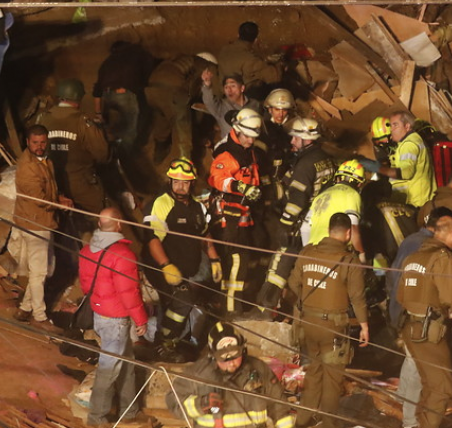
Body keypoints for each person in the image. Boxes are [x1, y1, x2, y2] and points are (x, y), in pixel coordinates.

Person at [288, 213, 369, 428]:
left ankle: (303, 421)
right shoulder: (348, 261)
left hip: (307, 326)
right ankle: (329, 424)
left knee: (313, 373)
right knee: (332, 379)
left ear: (329, 230)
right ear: (348, 233)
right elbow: (357, 297)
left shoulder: (308, 252)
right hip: (333, 329)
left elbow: (293, 284)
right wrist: (364, 325)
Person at [143, 158, 221, 362]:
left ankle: (175, 340)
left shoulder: (197, 208)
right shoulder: (161, 204)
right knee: (180, 302)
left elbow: (205, 235)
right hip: (160, 267)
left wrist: (214, 259)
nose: (180, 186)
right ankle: (162, 344)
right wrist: (165, 266)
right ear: (169, 182)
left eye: (185, 182)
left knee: (180, 304)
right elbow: (152, 239)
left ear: (192, 183)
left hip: (185, 268)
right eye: (176, 181)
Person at [79, 207, 150, 428]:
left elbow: (85, 285)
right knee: (109, 369)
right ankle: (96, 418)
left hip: (100, 314)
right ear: (119, 225)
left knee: (126, 362)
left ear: (100, 225)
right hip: (116, 320)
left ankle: (130, 411)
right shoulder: (123, 255)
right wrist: (141, 320)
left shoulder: (87, 251)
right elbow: (129, 292)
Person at [256, 117, 335, 311]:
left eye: (295, 138)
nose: (292, 142)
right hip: (318, 222)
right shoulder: (324, 158)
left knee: (281, 262)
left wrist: (285, 224)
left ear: (306, 140)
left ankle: (265, 305)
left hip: (300, 223)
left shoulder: (305, 164)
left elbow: (297, 199)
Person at [387, 207, 452, 428]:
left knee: (412, 361)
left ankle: (403, 399)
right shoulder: (429, 250)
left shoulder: (412, 240)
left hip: (403, 308)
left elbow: (395, 275)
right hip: (416, 315)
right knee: (418, 368)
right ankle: (410, 420)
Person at [167, 323, 294, 428]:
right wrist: (201, 404)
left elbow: (280, 408)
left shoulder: (259, 369)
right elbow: (173, 402)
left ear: (243, 349)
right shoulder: (197, 374)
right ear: (213, 355)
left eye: (235, 355)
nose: (231, 362)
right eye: (224, 358)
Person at [12, 125, 73, 329]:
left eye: (43, 142)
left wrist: (59, 197)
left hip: (44, 221)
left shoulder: (45, 161)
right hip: (34, 224)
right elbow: (38, 199)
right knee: (38, 272)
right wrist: (59, 203)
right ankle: (39, 316)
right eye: (35, 143)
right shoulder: (27, 168)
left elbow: (49, 190)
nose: (39, 146)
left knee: (44, 269)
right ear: (27, 142)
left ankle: (25, 307)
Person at [209, 108, 265, 313]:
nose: (251, 141)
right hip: (228, 217)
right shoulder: (228, 153)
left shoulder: (245, 149)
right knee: (236, 262)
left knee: (249, 256)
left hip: (243, 214)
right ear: (237, 130)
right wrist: (240, 187)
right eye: (248, 136)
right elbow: (217, 178)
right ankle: (231, 311)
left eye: (253, 137)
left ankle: (236, 305)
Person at [36, 79, 110, 214]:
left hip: (51, 182)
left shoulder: (42, 119)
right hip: (80, 183)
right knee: (106, 213)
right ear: (78, 98)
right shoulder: (83, 122)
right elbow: (102, 154)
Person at [146, 52, 217, 162]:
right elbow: (192, 90)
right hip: (172, 90)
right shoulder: (206, 66)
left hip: (151, 89)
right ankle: (185, 162)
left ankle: (159, 153)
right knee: (184, 128)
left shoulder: (179, 59)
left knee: (161, 119)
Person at [361, 111, 436, 208]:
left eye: (395, 125)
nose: (392, 129)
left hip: (414, 202)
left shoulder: (409, 145)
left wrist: (378, 168)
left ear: (407, 126)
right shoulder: (409, 142)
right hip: (412, 200)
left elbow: (406, 172)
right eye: (392, 125)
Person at [92, 41, 154, 151]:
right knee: (129, 129)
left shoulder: (107, 62)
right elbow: (149, 75)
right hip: (124, 94)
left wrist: (98, 113)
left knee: (110, 126)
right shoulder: (137, 54)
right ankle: (125, 155)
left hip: (107, 95)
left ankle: (109, 151)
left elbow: (97, 90)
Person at [303, 160, 365, 255]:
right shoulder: (352, 194)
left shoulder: (321, 195)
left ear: (337, 178)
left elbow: (305, 227)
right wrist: (361, 254)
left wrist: (306, 250)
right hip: (335, 251)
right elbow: (353, 228)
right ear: (360, 184)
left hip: (313, 251)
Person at [218, 21, 281, 95]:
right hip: (239, 97)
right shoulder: (251, 59)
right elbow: (275, 77)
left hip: (223, 92)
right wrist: (279, 65)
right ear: (255, 39)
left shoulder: (224, 50)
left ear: (238, 35)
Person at [201, 74, 260, 138]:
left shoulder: (255, 104)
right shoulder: (221, 107)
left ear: (242, 88)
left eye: (233, 86)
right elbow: (209, 102)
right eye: (226, 87)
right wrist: (207, 85)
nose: (229, 90)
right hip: (230, 146)